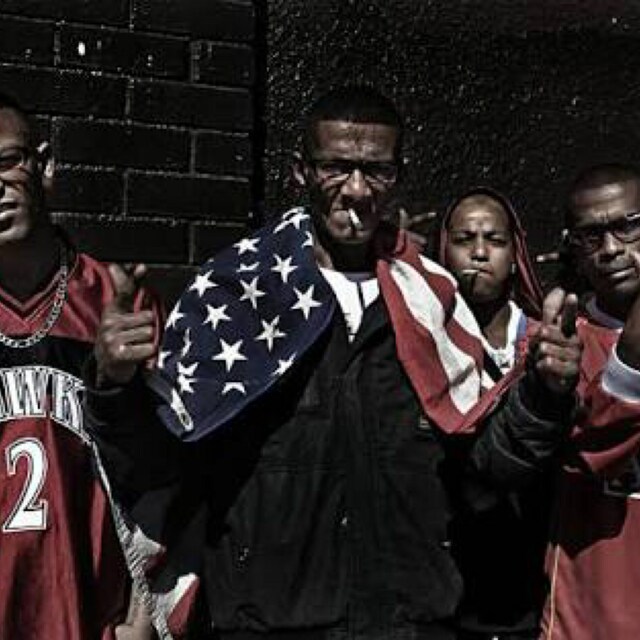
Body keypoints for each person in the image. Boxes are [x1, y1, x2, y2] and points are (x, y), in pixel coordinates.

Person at [85, 86, 582, 640]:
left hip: (413, 624)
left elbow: (488, 467)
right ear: (300, 172)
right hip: (269, 627)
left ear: (399, 175)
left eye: (377, 171)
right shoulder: (237, 294)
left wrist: (545, 392)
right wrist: (115, 385)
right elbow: (160, 465)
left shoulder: (434, 300)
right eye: (336, 168)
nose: (357, 190)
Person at [0, 92, 161, 639]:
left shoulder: (116, 302)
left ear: (44, 166)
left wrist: (143, 620)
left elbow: (166, 480)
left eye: (7, 162)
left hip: (89, 612)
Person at [439, 188, 549, 639]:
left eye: (495, 240)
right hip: (450, 587)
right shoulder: (424, 347)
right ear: (443, 249)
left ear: (516, 254)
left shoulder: (547, 343)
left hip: (534, 582)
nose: (480, 253)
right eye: (465, 239)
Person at [536, 164, 640, 640]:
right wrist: (629, 363)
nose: (612, 249)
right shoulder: (557, 342)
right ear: (573, 249)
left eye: (628, 226)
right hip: (592, 620)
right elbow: (577, 455)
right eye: (592, 236)